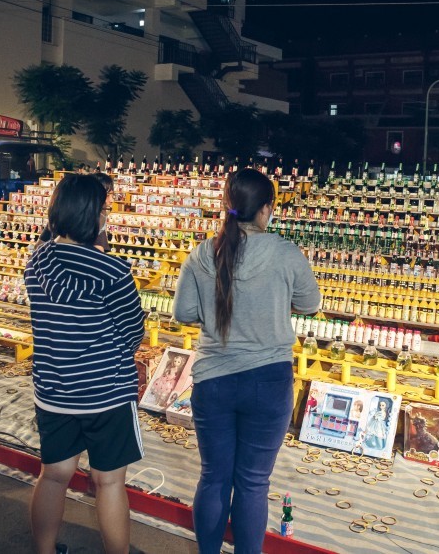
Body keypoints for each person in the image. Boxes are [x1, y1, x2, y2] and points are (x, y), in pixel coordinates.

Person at [173, 168, 321, 554]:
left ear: (228, 205)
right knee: (254, 482)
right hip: (269, 381)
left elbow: (184, 312)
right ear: (266, 209)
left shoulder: (203, 253)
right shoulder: (285, 252)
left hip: (213, 380)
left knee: (214, 477)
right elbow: (310, 304)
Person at [24, 174, 145, 554]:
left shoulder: (36, 260)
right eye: (104, 209)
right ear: (93, 216)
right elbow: (132, 331)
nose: (107, 215)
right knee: (109, 482)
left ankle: (44, 550)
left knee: (54, 475)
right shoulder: (113, 271)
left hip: (54, 389)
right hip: (106, 393)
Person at [37, 172, 113, 252]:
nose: (111, 200)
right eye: (107, 195)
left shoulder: (61, 215)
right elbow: (98, 255)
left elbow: (38, 246)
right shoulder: (95, 220)